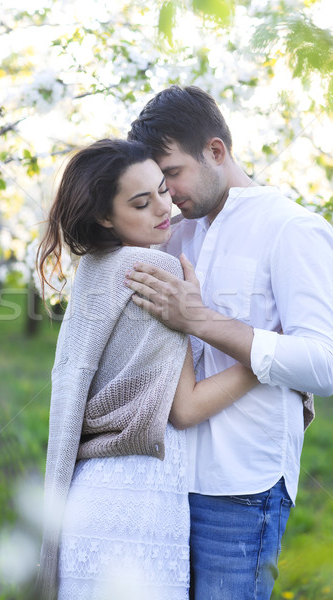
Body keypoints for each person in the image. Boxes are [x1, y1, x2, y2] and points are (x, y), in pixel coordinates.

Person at [126, 85, 333, 600]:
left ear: (215, 151)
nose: (168, 194)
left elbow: (324, 364)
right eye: (158, 180)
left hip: (241, 488)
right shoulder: (175, 232)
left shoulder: (291, 229)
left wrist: (201, 319)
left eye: (172, 173)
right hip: (164, 480)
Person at [35, 138, 259, 600]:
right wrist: (264, 361)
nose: (164, 206)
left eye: (162, 188)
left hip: (90, 498)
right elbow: (186, 409)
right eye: (141, 202)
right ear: (104, 216)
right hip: (136, 504)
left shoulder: (96, 268)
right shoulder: (152, 267)